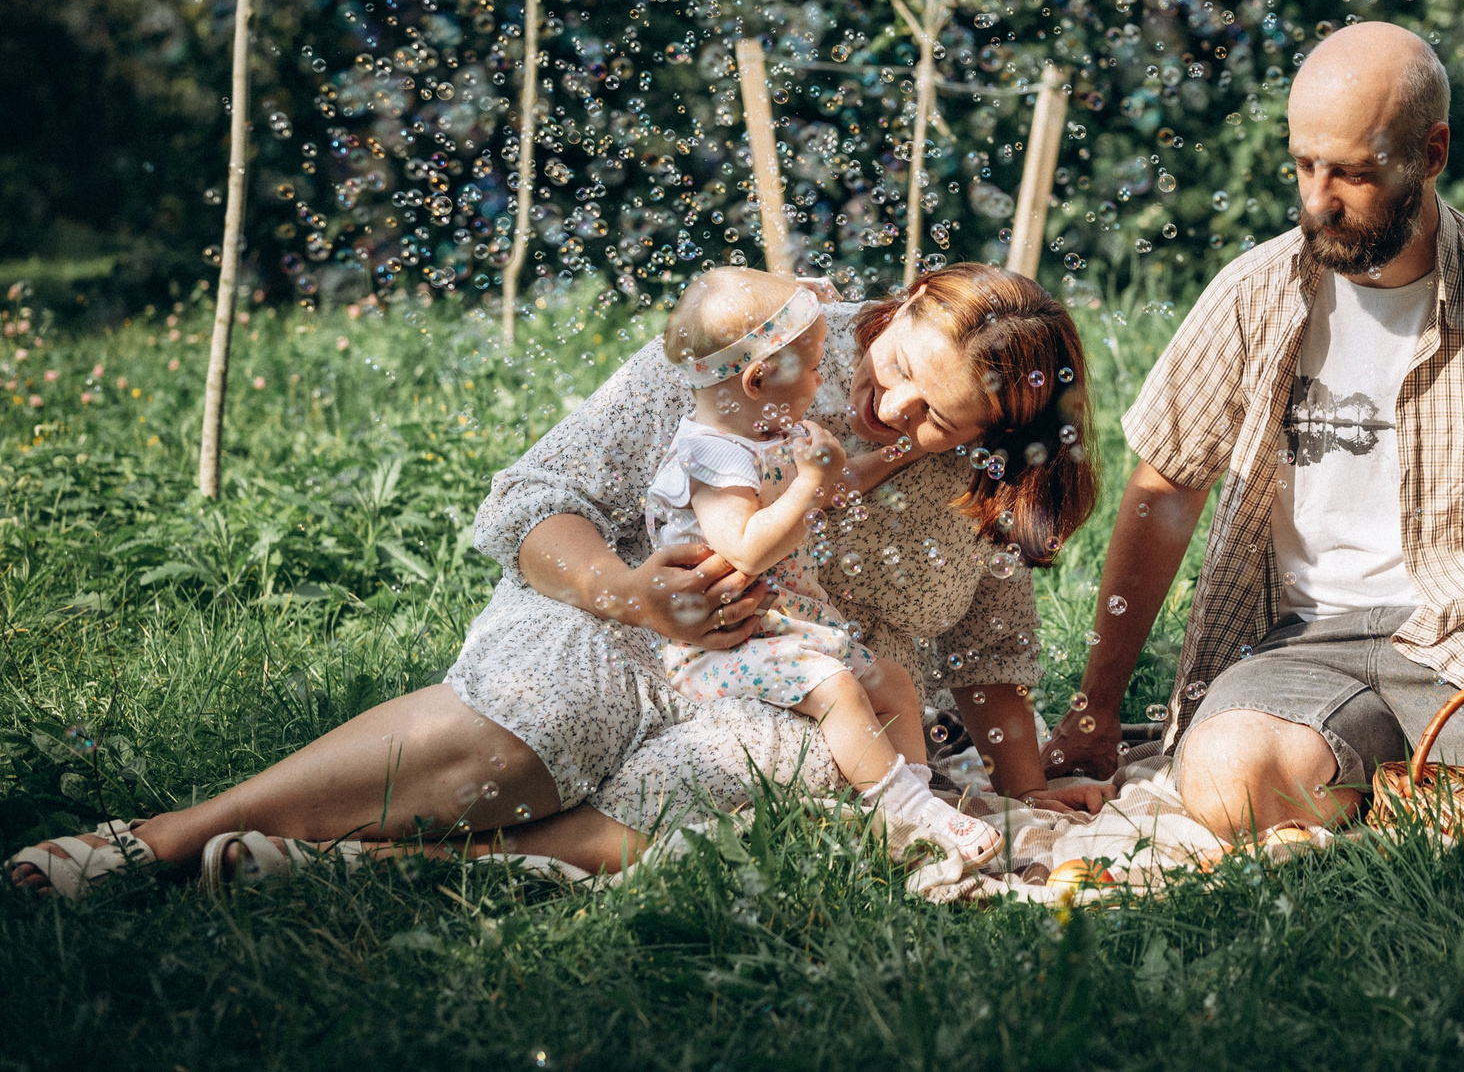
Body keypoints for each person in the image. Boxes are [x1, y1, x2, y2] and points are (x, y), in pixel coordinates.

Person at [13, 264, 1099, 897]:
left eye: (936, 418)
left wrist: (1022, 780)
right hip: (618, 611)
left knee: (745, 779)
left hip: (810, 692)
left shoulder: (985, 479)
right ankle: (171, 834)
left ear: (992, 431)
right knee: (552, 710)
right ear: (901, 305)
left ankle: (360, 865)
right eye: (897, 370)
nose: (889, 412)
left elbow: (988, 653)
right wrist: (633, 593)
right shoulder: (761, 342)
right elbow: (543, 495)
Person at [1043, 22, 1464, 836]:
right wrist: (1096, 709)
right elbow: (1165, 491)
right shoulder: (1252, 293)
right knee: (1223, 780)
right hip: (1300, 643)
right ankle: (1423, 790)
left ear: (1431, 154)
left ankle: (1452, 782)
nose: (1318, 199)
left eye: (1354, 173)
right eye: (1304, 165)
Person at [647, 267, 1000, 867]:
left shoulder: (768, 435)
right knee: (837, 688)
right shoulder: (711, 454)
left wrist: (901, 450)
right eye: (812, 366)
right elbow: (745, 550)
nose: (822, 377)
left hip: (787, 632)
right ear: (759, 379)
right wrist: (811, 480)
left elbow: (839, 487)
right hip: (721, 648)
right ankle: (908, 810)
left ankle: (915, 805)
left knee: (893, 681)